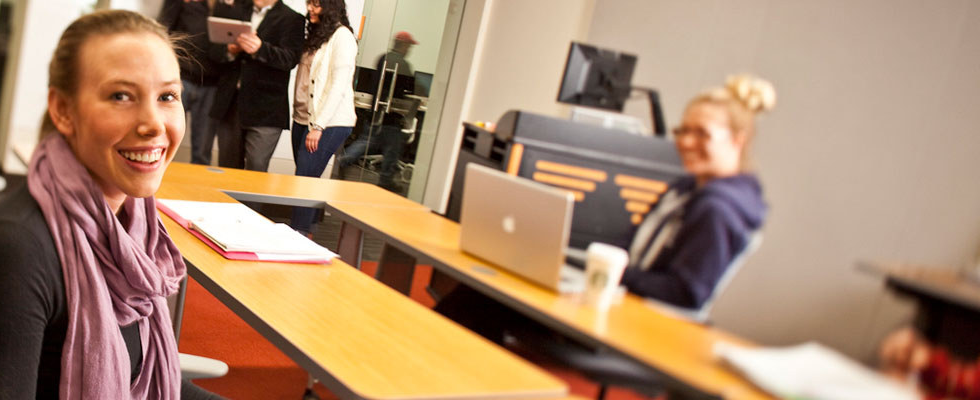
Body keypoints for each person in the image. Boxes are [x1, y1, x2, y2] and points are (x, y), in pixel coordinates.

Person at [0, 10, 221, 399]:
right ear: (63, 110)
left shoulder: (133, 225)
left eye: (167, 96)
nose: (154, 123)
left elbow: (140, 373)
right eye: (121, 96)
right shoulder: (14, 249)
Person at [435, 75, 776, 343]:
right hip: (618, 297)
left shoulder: (718, 209)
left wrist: (609, 275)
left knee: (481, 304)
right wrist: (576, 264)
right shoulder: (686, 190)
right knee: (489, 294)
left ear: (737, 139)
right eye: (683, 131)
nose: (686, 142)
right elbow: (630, 246)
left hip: (649, 322)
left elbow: (686, 292)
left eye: (701, 134)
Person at [209, 0, 304, 171]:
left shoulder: (292, 18)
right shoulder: (237, 10)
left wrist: (260, 48)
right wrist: (230, 51)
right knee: (226, 168)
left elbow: (290, 59)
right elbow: (213, 52)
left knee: (256, 167)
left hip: (266, 110)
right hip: (231, 103)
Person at [288, 0, 357, 236]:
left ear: (330, 7)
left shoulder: (342, 37)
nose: (310, 9)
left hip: (329, 122)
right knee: (307, 178)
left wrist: (318, 126)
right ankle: (310, 228)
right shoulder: (318, 35)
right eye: (309, 3)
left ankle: (297, 234)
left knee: (305, 179)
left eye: (316, 5)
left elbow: (339, 86)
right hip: (302, 117)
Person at [337, 31, 421, 192]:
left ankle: (342, 161)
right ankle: (386, 180)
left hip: (376, 113)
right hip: (391, 117)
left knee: (365, 142)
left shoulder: (384, 58)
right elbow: (408, 90)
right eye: (408, 46)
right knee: (393, 149)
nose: (409, 49)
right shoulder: (402, 64)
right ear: (402, 45)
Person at [159, 0, 221, 165]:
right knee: (162, 137)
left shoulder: (229, 5)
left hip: (213, 82)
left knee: (202, 150)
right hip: (182, 78)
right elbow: (163, 30)